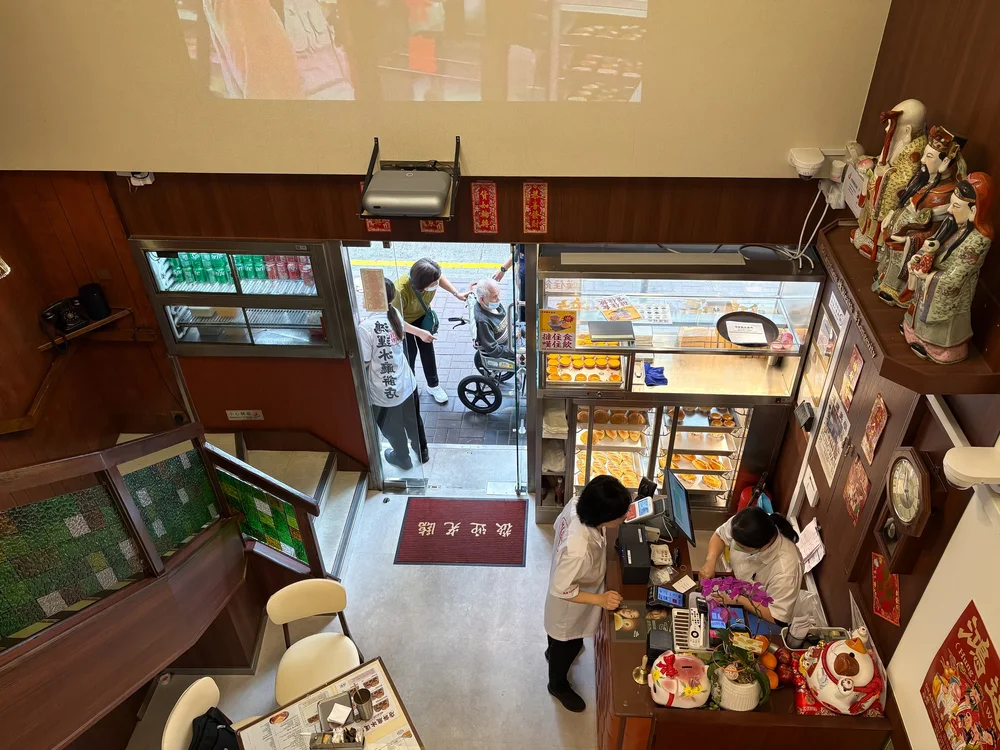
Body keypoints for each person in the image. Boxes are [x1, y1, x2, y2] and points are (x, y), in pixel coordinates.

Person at [545, 475, 631, 713]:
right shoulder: (578, 550)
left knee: (561, 641)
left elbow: (557, 527)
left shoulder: (575, 504)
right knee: (568, 644)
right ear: (603, 516)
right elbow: (561, 589)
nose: (624, 517)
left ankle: (551, 652)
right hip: (568, 603)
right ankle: (557, 684)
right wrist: (600, 600)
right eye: (621, 515)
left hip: (569, 583)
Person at [357, 279, 431, 470]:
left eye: (365, 294)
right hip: (406, 384)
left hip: (384, 393)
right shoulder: (393, 312)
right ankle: (422, 452)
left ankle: (402, 458)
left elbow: (364, 362)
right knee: (413, 421)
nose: (362, 297)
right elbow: (401, 324)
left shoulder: (365, 328)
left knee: (392, 428)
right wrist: (421, 332)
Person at [697, 506, 804, 626]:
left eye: (740, 546)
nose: (734, 545)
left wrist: (738, 599)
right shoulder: (745, 523)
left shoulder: (786, 571)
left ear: (758, 547)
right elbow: (720, 536)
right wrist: (710, 561)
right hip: (738, 589)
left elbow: (777, 617)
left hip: (761, 616)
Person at [396, 258, 470, 404]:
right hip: (404, 324)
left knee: (428, 351)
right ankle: (411, 387)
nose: (437, 285)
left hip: (423, 317)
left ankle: (433, 385)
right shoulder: (400, 291)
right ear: (422, 284)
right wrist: (419, 333)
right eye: (434, 283)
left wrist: (456, 294)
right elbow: (395, 320)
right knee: (409, 355)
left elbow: (440, 278)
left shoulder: (432, 279)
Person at [471, 278, 512, 358]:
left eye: (498, 294)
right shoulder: (482, 321)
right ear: (482, 299)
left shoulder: (495, 304)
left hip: (512, 337)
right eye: (495, 296)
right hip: (506, 349)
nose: (499, 298)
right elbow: (494, 350)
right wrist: (515, 351)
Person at [494, 244, 525, 323]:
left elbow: (516, 253)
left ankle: (523, 325)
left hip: (526, 278)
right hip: (524, 275)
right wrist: (503, 269)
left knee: (523, 303)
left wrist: (503, 269)